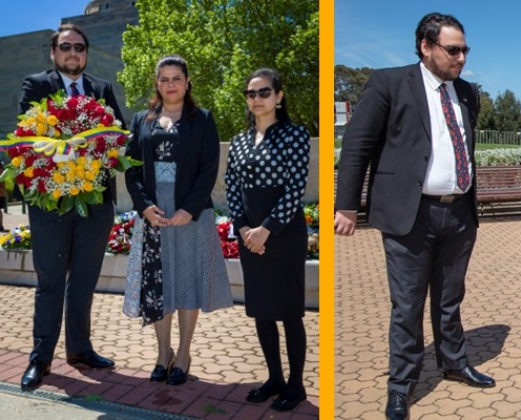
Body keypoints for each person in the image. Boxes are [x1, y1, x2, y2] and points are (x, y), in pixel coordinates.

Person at [333, 12, 494, 420]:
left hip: (458, 213)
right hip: (410, 214)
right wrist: (347, 205)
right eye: (452, 49)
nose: (461, 58)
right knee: (407, 306)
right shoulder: (388, 83)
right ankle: (401, 386)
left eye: (465, 50)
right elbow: (357, 145)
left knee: (449, 299)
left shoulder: (468, 93)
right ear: (425, 46)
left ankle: (454, 363)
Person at [18, 23, 125, 392]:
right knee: (50, 283)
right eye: (66, 47)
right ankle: (40, 359)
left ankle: (80, 350)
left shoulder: (102, 89)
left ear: (87, 53)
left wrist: (99, 150)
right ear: (53, 52)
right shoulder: (37, 85)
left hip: (96, 205)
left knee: (83, 281)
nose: (73, 53)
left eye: (79, 47)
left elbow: (119, 137)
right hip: (51, 204)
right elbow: (27, 139)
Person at [123, 54, 233, 386]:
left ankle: (183, 354)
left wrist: (189, 208)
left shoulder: (202, 119)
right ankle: (162, 354)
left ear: (187, 83)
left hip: (191, 213)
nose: (171, 85)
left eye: (177, 79)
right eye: (164, 79)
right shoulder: (141, 119)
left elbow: (208, 168)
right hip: (154, 214)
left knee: (187, 282)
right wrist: (144, 206)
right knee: (159, 285)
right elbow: (131, 168)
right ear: (156, 83)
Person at [225, 68, 310, 412]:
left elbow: (295, 188)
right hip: (250, 236)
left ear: (278, 95)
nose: (256, 99)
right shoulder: (240, 141)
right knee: (262, 311)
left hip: (284, 234)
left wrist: (266, 229)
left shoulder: (295, 135)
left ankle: (296, 385)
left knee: (289, 312)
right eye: (251, 94)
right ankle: (274, 377)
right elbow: (232, 188)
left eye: (263, 92)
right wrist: (245, 229)